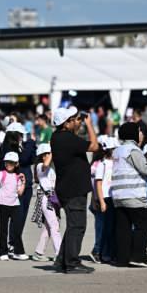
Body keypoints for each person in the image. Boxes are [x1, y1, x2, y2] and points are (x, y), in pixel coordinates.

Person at [51, 107, 98, 274]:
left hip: (67, 187)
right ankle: (72, 263)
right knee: (77, 226)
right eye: (74, 119)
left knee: (72, 226)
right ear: (66, 123)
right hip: (74, 189)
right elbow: (94, 146)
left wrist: (77, 125)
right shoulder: (66, 138)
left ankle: (61, 261)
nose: (77, 121)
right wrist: (90, 125)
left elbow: (75, 142)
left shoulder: (58, 137)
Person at [111, 122, 147, 268]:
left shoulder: (117, 151)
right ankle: (138, 257)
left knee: (123, 228)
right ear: (133, 134)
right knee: (144, 225)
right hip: (133, 194)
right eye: (139, 131)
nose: (142, 134)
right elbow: (144, 169)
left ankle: (122, 259)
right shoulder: (133, 150)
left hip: (119, 195)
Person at [0, 151, 28, 261]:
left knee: (17, 229)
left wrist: (23, 182)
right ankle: (3, 252)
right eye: (7, 162)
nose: (9, 165)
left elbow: (20, 193)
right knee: (4, 229)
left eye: (11, 163)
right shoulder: (2, 174)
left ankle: (18, 252)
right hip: (2, 204)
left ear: (16, 164)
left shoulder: (18, 176)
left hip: (15, 204)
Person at [31, 143, 61, 262]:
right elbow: (45, 164)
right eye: (46, 154)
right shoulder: (40, 166)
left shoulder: (53, 168)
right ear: (42, 156)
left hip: (54, 198)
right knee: (55, 226)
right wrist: (53, 151)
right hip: (46, 198)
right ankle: (59, 252)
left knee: (49, 226)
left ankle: (39, 252)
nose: (48, 156)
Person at [90, 137, 117, 264]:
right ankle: (102, 252)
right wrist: (101, 201)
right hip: (105, 198)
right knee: (104, 227)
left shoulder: (117, 163)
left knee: (111, 227)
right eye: (115, 149)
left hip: (114, 198)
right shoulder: (102, 164)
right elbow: (98, 184)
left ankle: (109, 252)